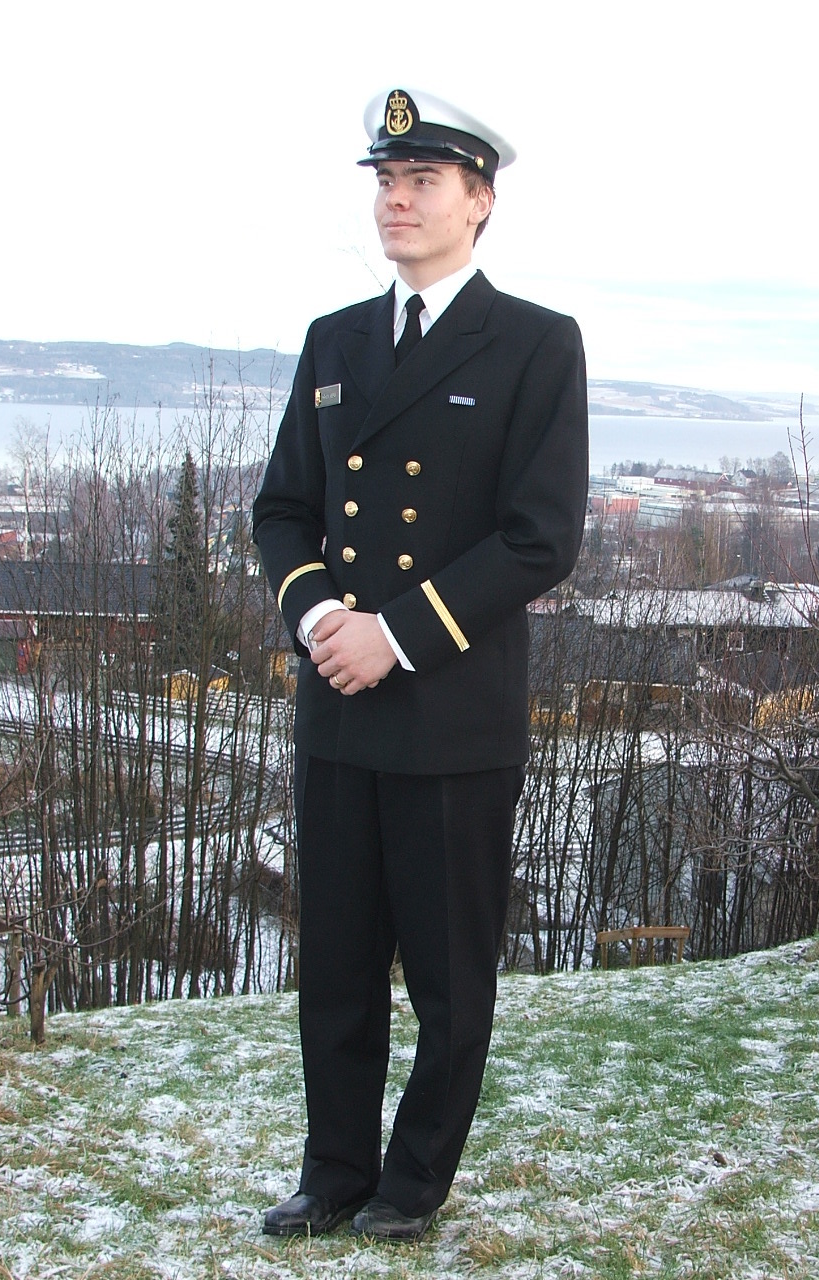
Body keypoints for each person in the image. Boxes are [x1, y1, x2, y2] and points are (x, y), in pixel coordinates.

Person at [253, 86, 588, 1242]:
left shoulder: (535, 342)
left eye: (423, 180)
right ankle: (333, 1171)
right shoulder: (335, 340)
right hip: (339, 707)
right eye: (387, 181)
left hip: (449, 711)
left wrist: (391, 633)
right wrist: (317, 617)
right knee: (337, 968)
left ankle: (412, 1182)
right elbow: (282, 509)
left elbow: (540, 536)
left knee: (449, 979)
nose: (397, 199)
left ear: (479, 200)